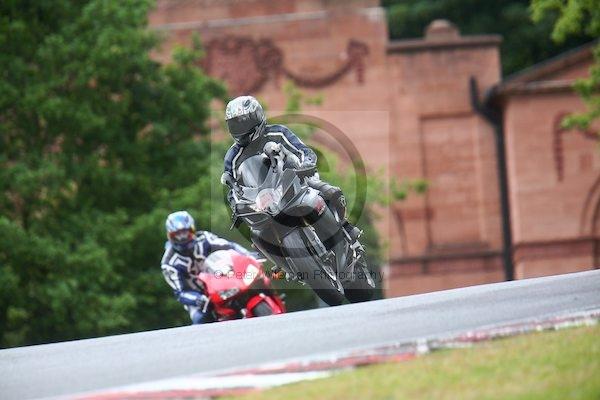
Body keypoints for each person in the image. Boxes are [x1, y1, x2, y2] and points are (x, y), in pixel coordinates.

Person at [221, 95, 361, 247]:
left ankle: (344, 227)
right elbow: (232, 186)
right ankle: (277, 258)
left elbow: (303, 151)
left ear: (257, 117)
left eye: (244, 122)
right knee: (256, 238)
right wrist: (236, 205)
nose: (240, 129)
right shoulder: (232, 156)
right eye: (235, 125)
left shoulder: (277, 133)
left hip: (295, 179)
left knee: (329, 192)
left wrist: (305, 165)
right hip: (264, 200)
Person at [160, 210, 252, 324]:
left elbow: (230, 246)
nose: (182, 238)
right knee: (200, 319)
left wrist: (248, 255)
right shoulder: (168, 263)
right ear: (170, 236)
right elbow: (180, 292)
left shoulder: (205, 238)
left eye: (185, 232)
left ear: (192, 230)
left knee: (252, 286)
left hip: (222, 282)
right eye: (177, 234)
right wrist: (198, 299)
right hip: (200, 297)